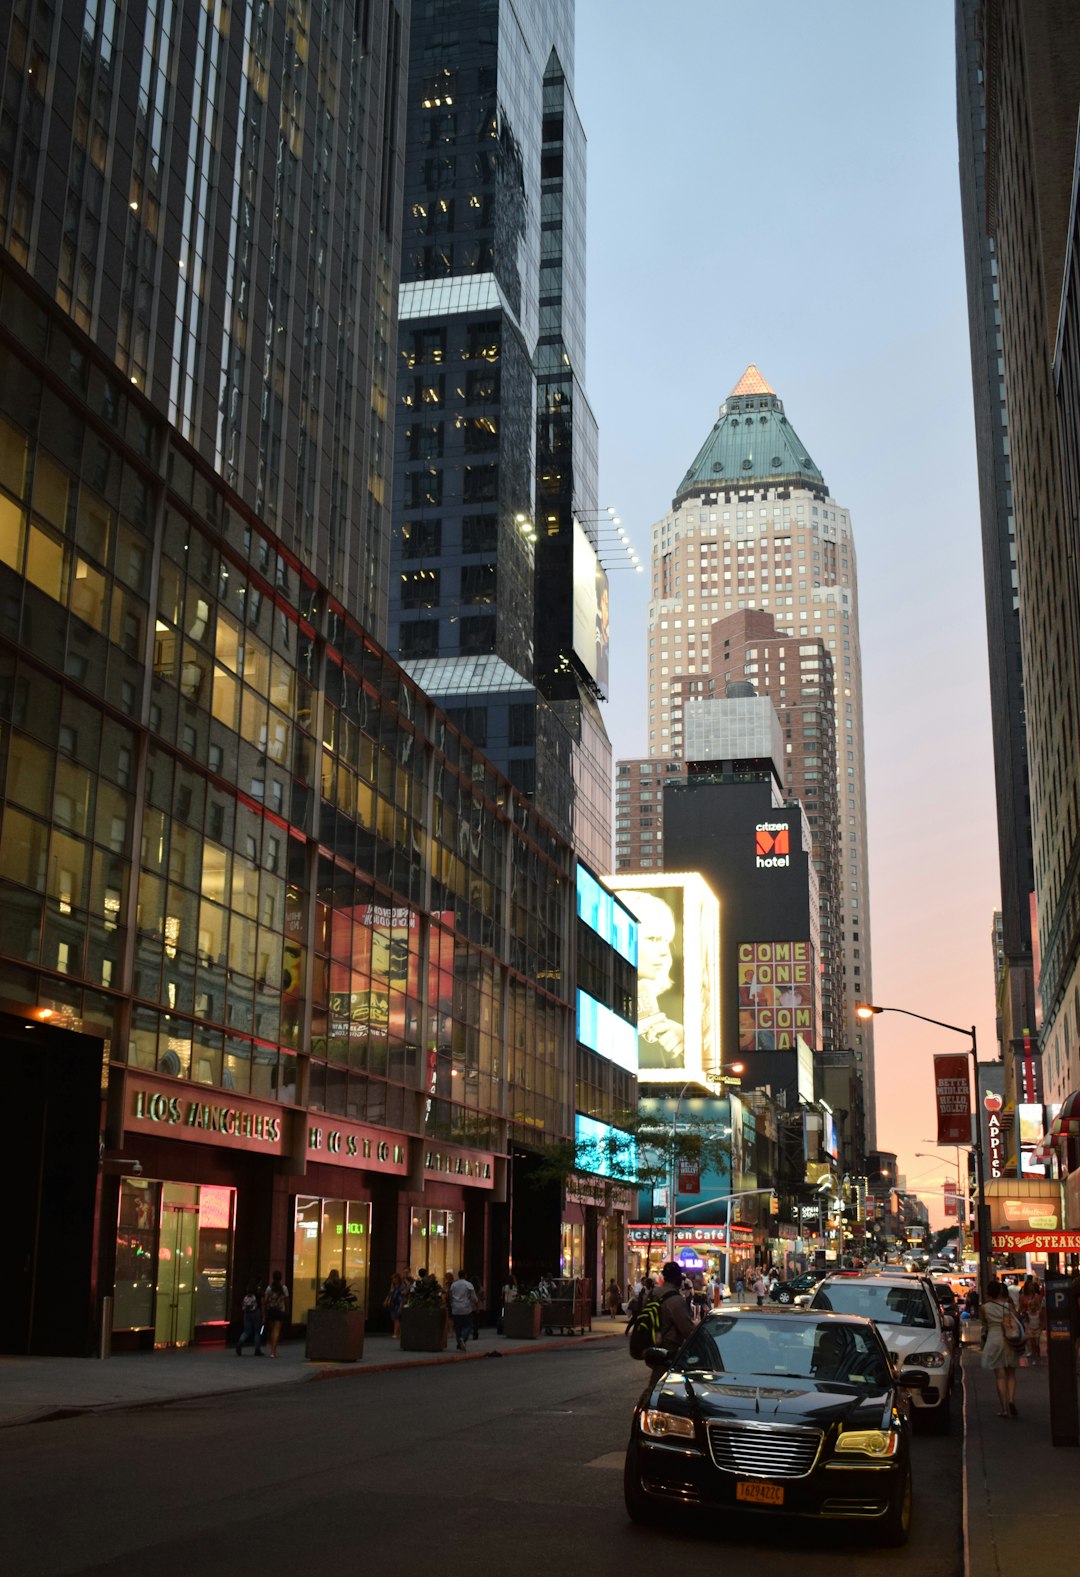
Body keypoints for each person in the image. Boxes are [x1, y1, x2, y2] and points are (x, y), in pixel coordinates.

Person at [981, 1276, 1020, 1416]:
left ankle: (1004, 1408)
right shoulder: (1008, 1306)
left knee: (1000, 1376)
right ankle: (1011, 1399)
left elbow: (984, 1324)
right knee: (1011, 1373)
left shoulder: (984, 1308)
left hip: (994, 1339)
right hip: (1009, 1339)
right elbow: (1016, 1319)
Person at [645, 1261, 696, 1366]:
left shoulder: (653, 1293)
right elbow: (687, 1329)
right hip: (668, 1350)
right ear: (677, 1278)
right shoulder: (675, 1300)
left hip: (651, 1344)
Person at [447, 1269, 478, 1351]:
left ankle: (459, 1342)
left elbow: (450, 1295)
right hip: (466, 1308)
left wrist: (451, 1304)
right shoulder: (468, 1284)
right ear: (465, 1275)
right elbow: (473, 1297)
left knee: (458, 1327)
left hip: (456, 1308)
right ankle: (463, 1339)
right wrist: (476, 1304)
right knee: (468, 1326)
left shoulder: (453, 1285)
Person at [262, 1270, 289, 1358]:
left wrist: (264, 1313)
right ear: (280, 1278)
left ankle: (272, 1349)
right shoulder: (284, 1288)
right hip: (280, 1311)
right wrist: (287, 1310)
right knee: (276, 1331)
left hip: (271, 1311)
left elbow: (265, 1301)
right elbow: (287, 1300)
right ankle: (273, 1351)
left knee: (271, 1330)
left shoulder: (269, 1288)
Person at [1019, 1274, 1045, 1366]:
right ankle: (1035, 1356)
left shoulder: (1037, 1296)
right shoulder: (1022, 1297)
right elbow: (1020, 1307)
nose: (1031, 1287)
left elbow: (1040, 1307)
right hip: (1027, 1319)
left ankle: (1037, 1356)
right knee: (1031, 1340)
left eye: (1032, 1286)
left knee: (1037, 1341)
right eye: (1029, 1286)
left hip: (1036, 1318)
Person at [235, 1282, 263, 1357]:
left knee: (247, 1331)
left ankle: (240, 1342)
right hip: (256, 1314)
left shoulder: (246, 1297)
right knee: (258, 1332)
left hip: (247, 1314)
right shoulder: (257, 1296)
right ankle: (257, 1349)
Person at [385, 1272, 406, 1339]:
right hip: (393, 1303)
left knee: (397, 1318)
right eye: (393, 1279)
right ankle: (398, 1333)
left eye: (395, 1279)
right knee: (394, 1318)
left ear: (398, 1279)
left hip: (399, 1303)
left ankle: (395, 1333)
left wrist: (402, 1304)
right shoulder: (393, 1286)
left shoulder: (401, 1286)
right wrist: (387, 1301)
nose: (393, 1280)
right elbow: (390, 1294)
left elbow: (403, 1296)